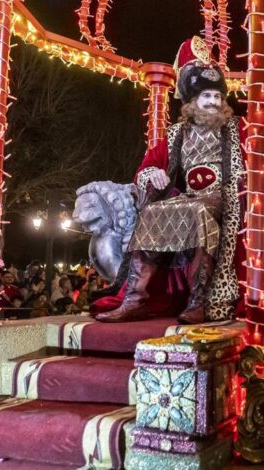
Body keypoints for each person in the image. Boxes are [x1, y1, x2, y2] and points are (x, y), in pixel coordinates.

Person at [94, 36, 248, 325]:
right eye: (207, 97)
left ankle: (200, 300)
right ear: (193, 101)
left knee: (197, 212)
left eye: (217, 97)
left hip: (224, 198)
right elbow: (149, 164)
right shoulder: (177, 133)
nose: (213, 102)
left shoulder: (237, 128)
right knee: (151, 213)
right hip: (189, 198)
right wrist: (152, 173)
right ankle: (136, 299)